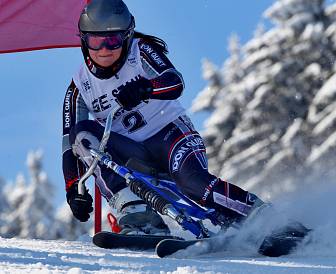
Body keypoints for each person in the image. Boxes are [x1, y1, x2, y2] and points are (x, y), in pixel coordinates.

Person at [63, 0, 264, 235]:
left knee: (192, 183)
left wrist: (146, 88)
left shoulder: (141, 51)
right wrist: (72, 188)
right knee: (82, 133)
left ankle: (260, 215)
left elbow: (174, 81)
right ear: (84, 41)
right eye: (96, 41)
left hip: (171, 136)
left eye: (113, 40)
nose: (104, 50)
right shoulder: (79, 86)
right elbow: (70, 145)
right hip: (132, 154)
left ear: (127, 36)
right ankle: (136, 212)